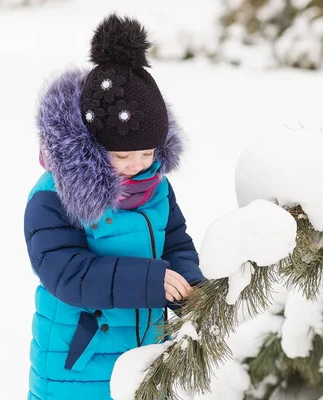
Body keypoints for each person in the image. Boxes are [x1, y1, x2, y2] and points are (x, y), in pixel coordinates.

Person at [23, 13, 204, 400]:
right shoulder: (53, 196)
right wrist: (149, 281)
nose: (137, 165)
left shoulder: (155, 186)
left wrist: (191, 286)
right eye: (122, 154)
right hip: (78, 368)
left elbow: (174, 242)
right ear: (93, 143)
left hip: (144, 355)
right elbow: (65, 274)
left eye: (147, 152)